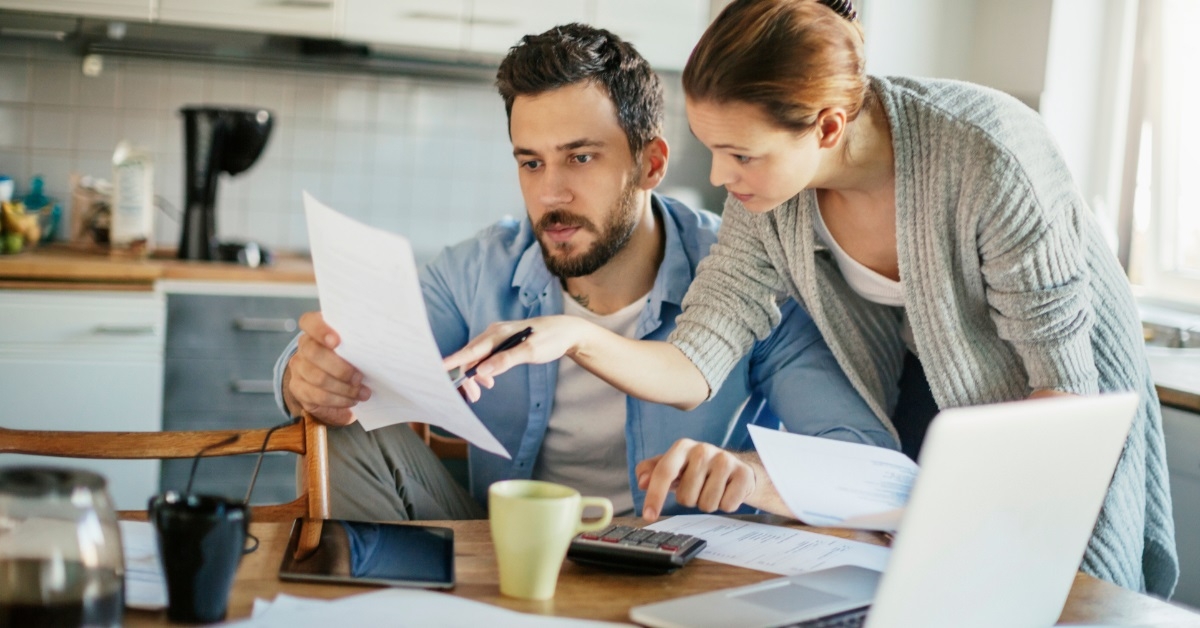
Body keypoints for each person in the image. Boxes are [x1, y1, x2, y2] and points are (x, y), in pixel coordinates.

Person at [445, 0, 1178, 596]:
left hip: (1055, 405)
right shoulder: (767, 196)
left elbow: (1065, 401)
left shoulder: (988, 157)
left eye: (741, 154)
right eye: (713, 149)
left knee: (1059, 594)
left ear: (827, 127)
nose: (722, 177)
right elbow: (696, 359)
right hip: (932, 398)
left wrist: (969, 506)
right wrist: (577, 337)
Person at [274, 22, 893, 524]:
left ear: (650, 163)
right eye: (531, 163)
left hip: (679, 566)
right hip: (504, 552)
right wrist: (307, 376)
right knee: (340, 429)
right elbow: (355, 367)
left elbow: (864, 462)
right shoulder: (476, 269)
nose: (551, 193)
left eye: (581, 157)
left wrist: (749, 472)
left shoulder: (748, 277)